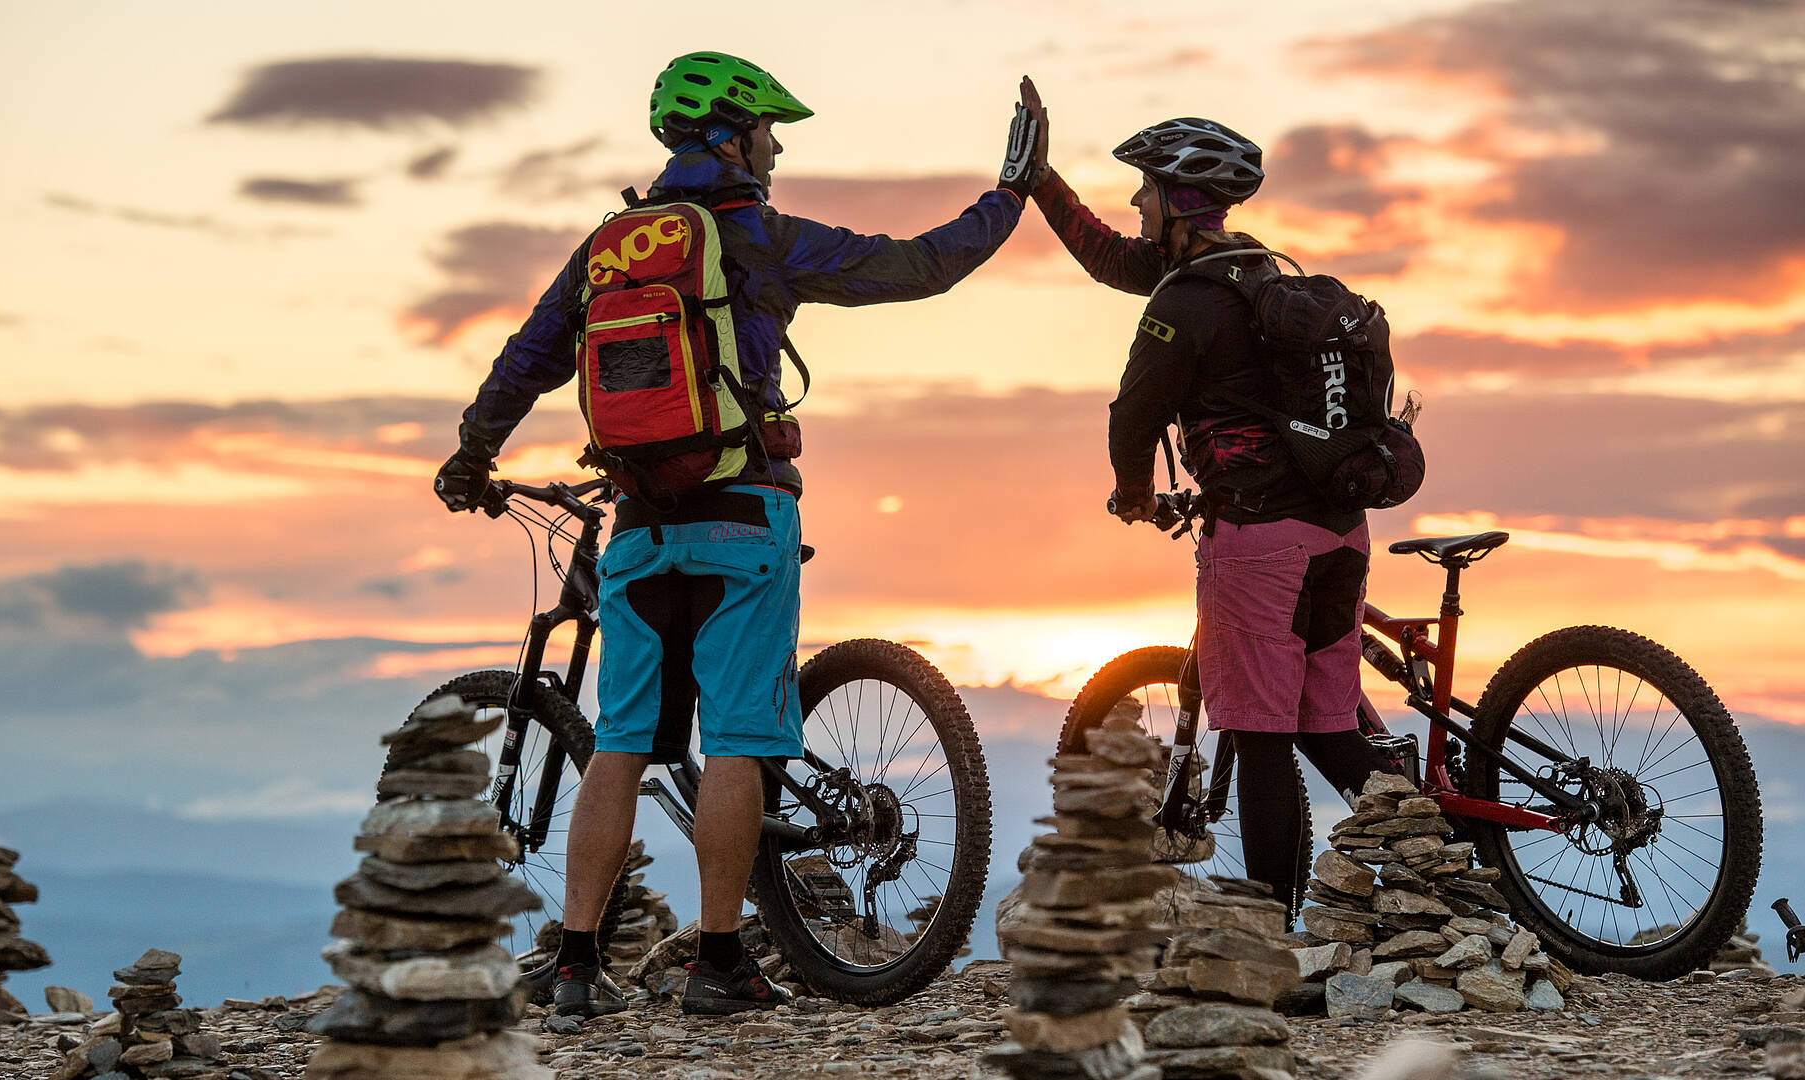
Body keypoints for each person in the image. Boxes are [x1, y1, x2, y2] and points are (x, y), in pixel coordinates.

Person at [434, 54, 1042, 1017]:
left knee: (623, 744)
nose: (778, 144)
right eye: (768, 129)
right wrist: (1010, 196)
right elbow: (920, 265)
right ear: (730, 133)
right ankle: (717, 962)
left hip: (637, 529)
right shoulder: (757, 237)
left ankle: (577, 968)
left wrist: (472, 453)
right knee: (738, 740)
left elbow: (528, 358)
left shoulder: (608, 247)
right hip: (744, 516)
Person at [1020, 80, 1390, 922]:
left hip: (1258, 542)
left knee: (1259, 740)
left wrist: (1132, 495)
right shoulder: (1262, 278)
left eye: (1146, 188)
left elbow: (1133, 416)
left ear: (1180, 201)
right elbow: (1114, 258)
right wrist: (1043, 182)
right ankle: (1439, 853)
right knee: (1327, 730)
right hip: (1340, 534)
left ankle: (1268, 929)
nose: (1135, 200)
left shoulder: (1185, 305)